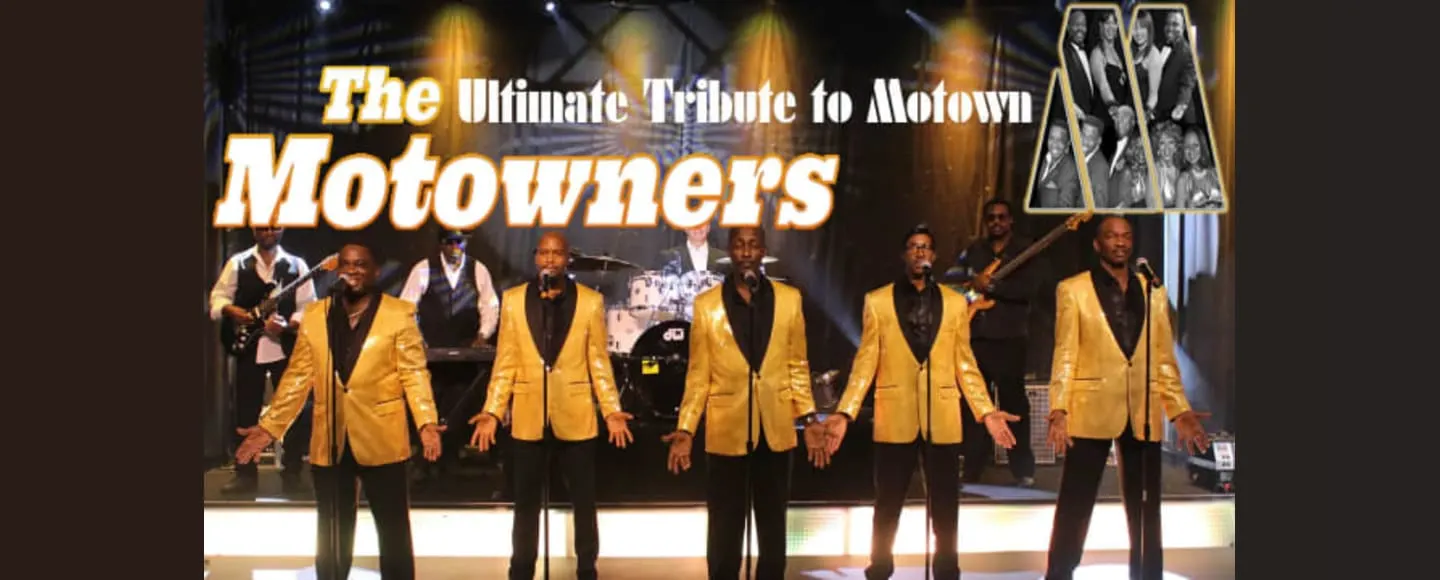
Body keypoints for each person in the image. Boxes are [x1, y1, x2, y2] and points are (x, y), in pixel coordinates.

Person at [235, 243, 444, 580]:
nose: (353, 270)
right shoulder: (317, 315)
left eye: (361, 264)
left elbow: (414, 373)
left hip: (382, 435)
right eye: (346, 264)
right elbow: (297, 378)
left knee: (393, 530)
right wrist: (269, 428)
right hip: (331, 435)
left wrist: (427, 422)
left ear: (375, 271)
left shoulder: (399, 313)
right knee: (332, 532)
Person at [825, 225, 1020, 580]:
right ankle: (879, 567)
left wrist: (986, 411)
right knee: (887, 503)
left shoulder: (954, 303)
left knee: (945, 504)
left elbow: (965, 363)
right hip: (894, 413)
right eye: (914, 246)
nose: (920, 252)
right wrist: (845, 412)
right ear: (904, 255)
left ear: (934, 256)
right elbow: (865, 363)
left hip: (941, 414)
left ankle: (946, 569)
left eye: (926, 247)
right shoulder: (878, 301)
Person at [1043, 216, 1211, 580]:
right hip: (1090, 407)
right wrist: (1059, 408)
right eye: (1111, 236)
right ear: (1097, 244)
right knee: (1075, 505)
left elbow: (1163, 357)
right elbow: (1065, 354)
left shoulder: (1152, 290)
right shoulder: (1073, 289)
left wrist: (1178, 410)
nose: (1120, 242)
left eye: (1126, 236)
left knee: (1146, 509)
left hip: (1141, 409)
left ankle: (1147, 575)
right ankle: (1059, 573)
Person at [663, 226, 829, 580]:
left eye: (753, 245)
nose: (747, 252)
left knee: (772, 530)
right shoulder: (706, 305)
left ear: (763, 251)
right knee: (724, 531)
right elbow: (698, 376)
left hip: (775, 429)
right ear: (730, 252)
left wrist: (809, 418)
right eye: (739, 245)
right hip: (727, 430)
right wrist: (686, 429)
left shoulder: (789, 299)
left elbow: (797, 365)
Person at [469, 231, 634, 580]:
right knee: (525, 504)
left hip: (576, 414)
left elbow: (598, 362)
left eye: (556, 253)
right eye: (543, 252)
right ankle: (521, 570)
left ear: (567, 258)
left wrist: (611, 410)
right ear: (535, 257)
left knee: (584, 501)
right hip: (529, 416)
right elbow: (505, 362)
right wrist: (492, 411)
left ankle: (587, 568)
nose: (549, 259)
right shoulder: (514, 300)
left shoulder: (589, 301)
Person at [208, 226, 316, 495]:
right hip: (249, 348)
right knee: (245, 412)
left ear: (282, 229)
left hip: (286, 348)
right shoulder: (238, 262)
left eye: (274, 227)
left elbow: (308, 306)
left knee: (292, 410)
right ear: (254, 230)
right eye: (263, 227)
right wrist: (236, 312)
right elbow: (217, 299)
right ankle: (245, 474)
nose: (268, 232)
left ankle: (292, 472)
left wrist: (289, 324)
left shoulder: (296, 265)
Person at [948, 200, 1043, 487]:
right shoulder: (973, 251)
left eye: (1002, 217)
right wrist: (972, 282)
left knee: (1014, 403)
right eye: (991, 218)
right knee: (975, 405)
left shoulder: (1024, 251)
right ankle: (972, 468)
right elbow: (951, 281)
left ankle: (1022, 469)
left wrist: (995, 286)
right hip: (976, 337)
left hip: (1010, 337)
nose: (997, 222)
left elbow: (1031, 288)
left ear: (1011, 221)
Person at [399, 228, 501, 481]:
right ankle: (428, 459)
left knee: (461, 400)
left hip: (465, 350)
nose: (456, 247)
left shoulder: (477, 269)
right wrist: (417, 340)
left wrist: (483, 335)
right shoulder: (423, 269)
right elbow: (406, 308)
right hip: (431, 350)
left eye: (460, 242)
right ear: (440, 245)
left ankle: (453, 453)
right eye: (450, 242)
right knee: (431, 400)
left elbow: (490, 306)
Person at [1031, 123, 1083, 209]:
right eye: (1052, 138)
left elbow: (1066, 207)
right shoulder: (1042, 159)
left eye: (1060, 140)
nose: (1055, 144)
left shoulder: (1071, 170)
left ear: (1067, 143)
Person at [656, 222, 726, 275]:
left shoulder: (723, 258)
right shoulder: (669, 257)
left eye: (702, 223)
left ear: (708, 227)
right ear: (685, 228)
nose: (698, 227)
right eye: (693, 223)